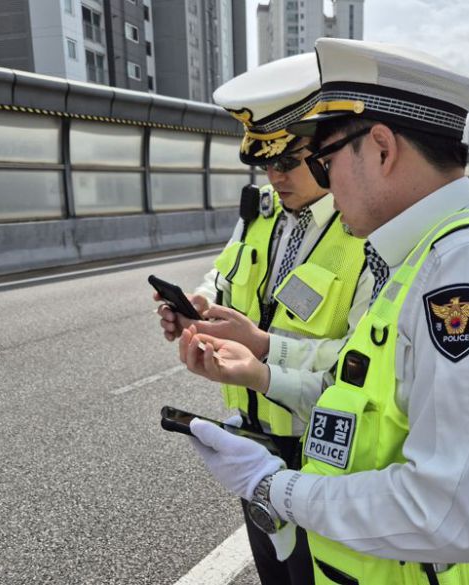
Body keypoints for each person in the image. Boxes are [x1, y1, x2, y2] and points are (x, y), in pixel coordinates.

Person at [180, 38, 469, 585]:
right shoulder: (422, 258)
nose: (324, 180)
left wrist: (275, 486)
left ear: (381, 148)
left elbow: (449, 514)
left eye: (324, 159)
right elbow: (361, 402)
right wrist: (264, 377)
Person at [156, 52, 372, 585]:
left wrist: (260, 350)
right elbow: (222, 276)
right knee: (274, 574)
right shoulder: (260, 216)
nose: (274, 176)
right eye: (265, 164)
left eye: (287, 161)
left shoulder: (366, 233)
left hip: (322, 454)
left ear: (323, 155)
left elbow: (365, 363)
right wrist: (198, 307)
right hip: (254, 445)